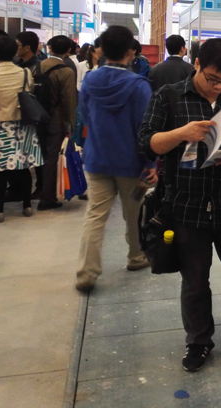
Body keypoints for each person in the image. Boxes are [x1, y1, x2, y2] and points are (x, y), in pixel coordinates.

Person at [138, 38, 221, 373]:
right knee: (195, 281)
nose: (218, 87)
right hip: (187, 206)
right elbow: (147, 142)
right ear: (196, 64)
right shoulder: (169, 96)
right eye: (212, 79)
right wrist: (181, 133)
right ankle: (199, 341)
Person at [75, 26, 155, 292]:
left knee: (95, 214)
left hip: (97, 158)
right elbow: (145, 129)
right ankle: (135, 256)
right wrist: (151, 164)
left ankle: (87, 272)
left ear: (102, 50)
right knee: (133, 213)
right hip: (130, 163)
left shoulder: (90, 80)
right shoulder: (139, 86)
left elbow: (85, 116)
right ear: (131, 52)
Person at [0, 35, 43, 222]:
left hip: (0, 126)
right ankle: (26, 205)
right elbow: (28, 92)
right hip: (22, 126)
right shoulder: (24, 73)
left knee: (0, 170)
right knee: (23, 166)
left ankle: (0, 210)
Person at [37, 35, 78, 210]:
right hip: (56, 119)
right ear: (68, 50)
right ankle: (47, 197)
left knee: (40, 155)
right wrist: (70, 124)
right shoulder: (66, 71)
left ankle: (39, 189)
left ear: (50, 48)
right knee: (52, 157)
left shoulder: (38, 66)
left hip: (37, 117)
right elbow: (69, 100)